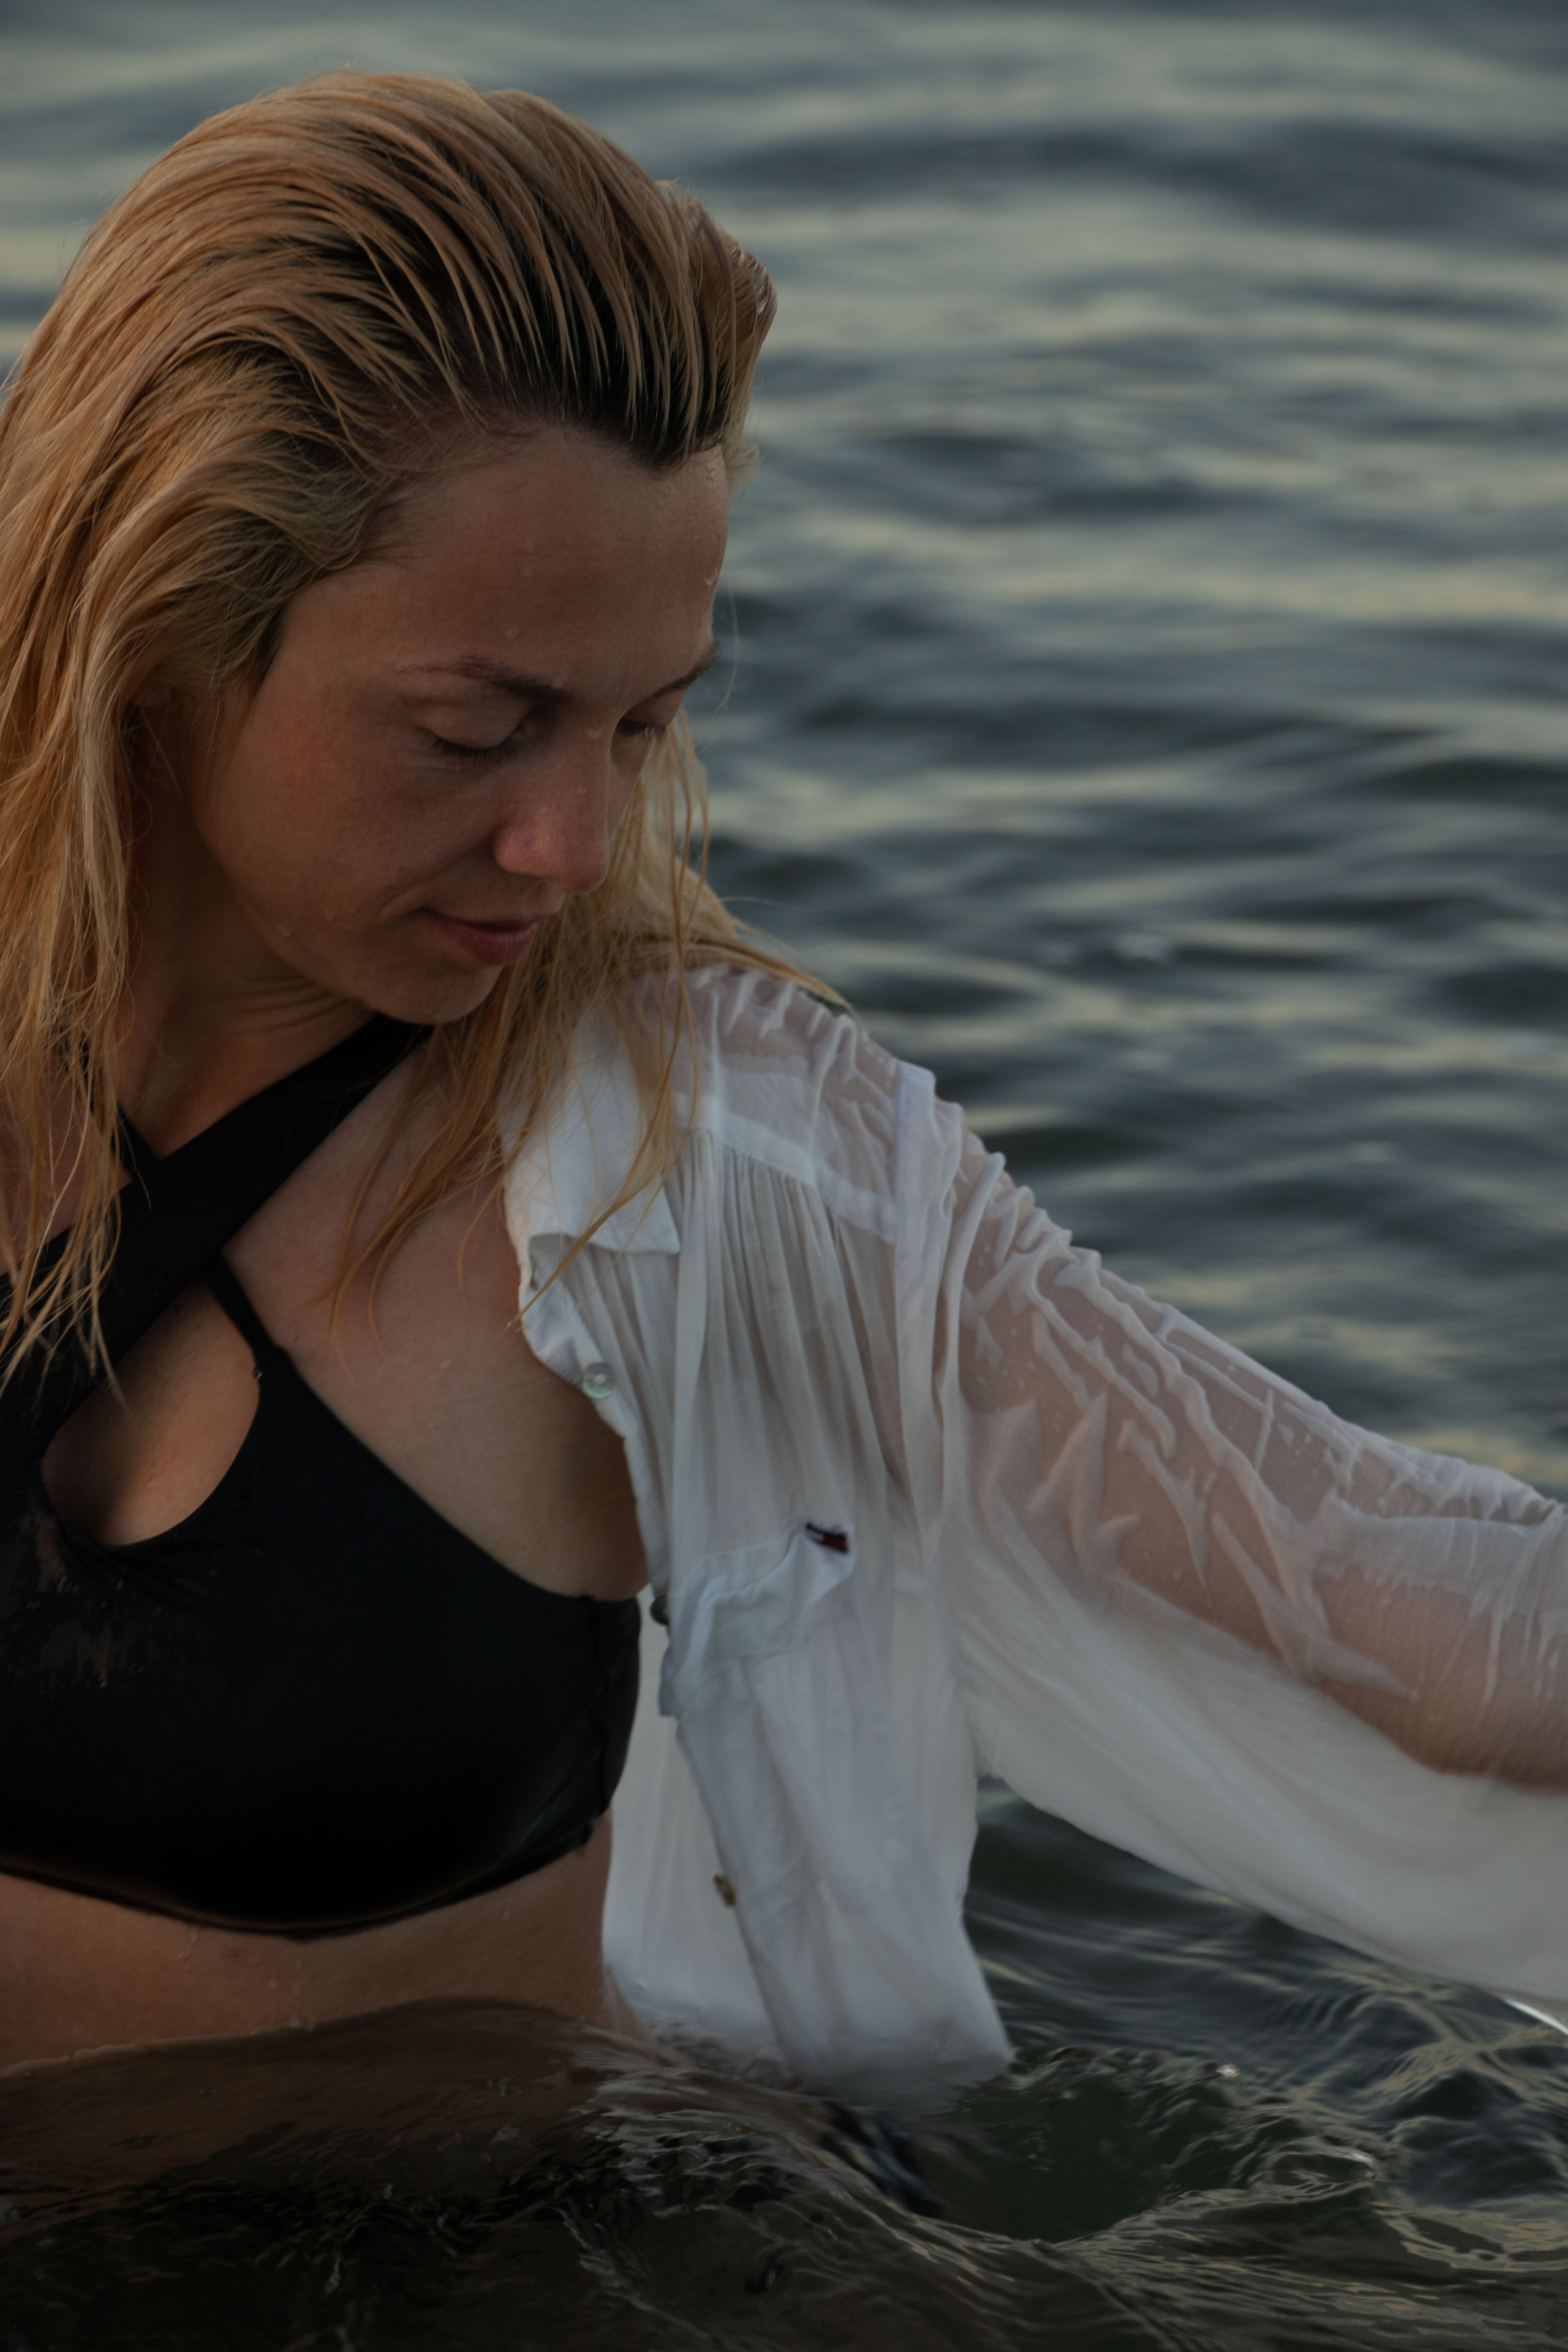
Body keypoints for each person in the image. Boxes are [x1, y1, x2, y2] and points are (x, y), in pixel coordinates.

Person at [1, 71, 1564, 2089]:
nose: (574, 844)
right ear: (155, 621)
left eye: (644, 726)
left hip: (533, 2243)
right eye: (477, 729)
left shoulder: (695, 1147)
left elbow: (1386, 1601)